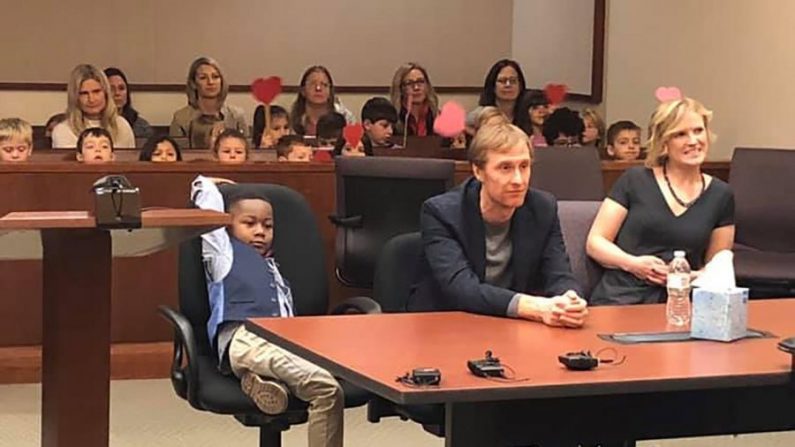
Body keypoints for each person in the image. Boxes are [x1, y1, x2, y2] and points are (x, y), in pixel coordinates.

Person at [190, 176, 343, 447]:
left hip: (279, 344)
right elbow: (208, 212)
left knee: (339, 367)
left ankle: (258, 382)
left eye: (268, 226)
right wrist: (210, 184)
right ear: (227, 227)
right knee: (327, 388)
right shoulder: (223, 257)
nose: (260, 231)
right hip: (245, 338)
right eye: (249, 224)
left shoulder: (275, 270)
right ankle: (256, 375)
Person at [408, 122, 588, 328]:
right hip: (447, 324)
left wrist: (569, 300)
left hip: (510, 325)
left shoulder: (542, 208)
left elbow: (559, 274)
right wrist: (536, 307)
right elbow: (462, 289)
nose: (518, 180)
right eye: (505, 168)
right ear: (478, 171)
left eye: (524, 166)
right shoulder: (442, 212)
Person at [586, 97, 735, 305]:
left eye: (698, 131)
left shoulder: (721, 195)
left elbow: (716, 268)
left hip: (681, 302)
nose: (693, 141)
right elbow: (595, 243)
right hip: (622, 296)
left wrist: (688, 276)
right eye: (680, 134)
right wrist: (633, 264)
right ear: (664, 143)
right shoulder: (634, 180)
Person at [51, 64, 135, 149]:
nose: (91, 99)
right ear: (75, 98)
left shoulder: (122, 126)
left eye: (96, 91)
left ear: (106, 93)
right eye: (84, 93)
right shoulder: (63, 130)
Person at [170, 57, 247, 148]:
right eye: (203, 78)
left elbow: (246, 152)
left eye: (215, 77)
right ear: (193, 83)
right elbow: (178, 155)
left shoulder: (237, 116)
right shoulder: (181, 118)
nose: (210, 82)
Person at [289, 66, 355, 136]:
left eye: (324, 84)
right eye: (312, 84)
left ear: (330, 91)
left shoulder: (346, 117)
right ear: (303, 91)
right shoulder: (291, 119)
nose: (318, 88)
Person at [466, 59, 527, 131]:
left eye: (513, 81)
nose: (508, 85)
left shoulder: (529, 115)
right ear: (492, 86)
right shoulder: (479, 115)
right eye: (502, 81)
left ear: (520, 85)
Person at [389, 63, 438, 136]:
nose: (416, 87)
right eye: (409, 83)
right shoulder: (391, 119)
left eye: (420, 81)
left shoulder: (437, 117)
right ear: (400, 89)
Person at [103, 67, 154, 139]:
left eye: (121, 88)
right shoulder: (97, 123)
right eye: (112, 89)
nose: (117, 93)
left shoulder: (141, 126)